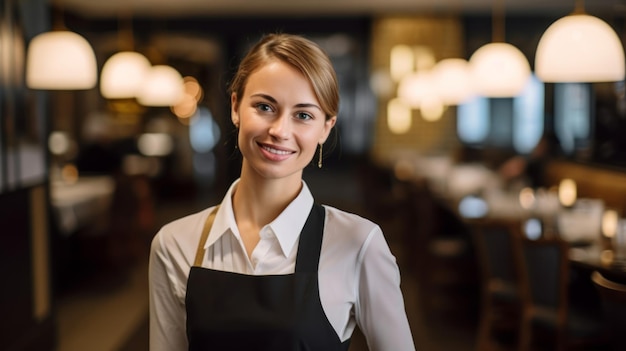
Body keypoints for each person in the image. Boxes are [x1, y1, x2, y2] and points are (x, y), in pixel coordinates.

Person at [149, 33, 415, 351]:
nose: (280, 131)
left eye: (303, 115)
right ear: (235, 107)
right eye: (264, 106)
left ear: (326, 128)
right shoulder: (174, 243)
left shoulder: (358, 243)